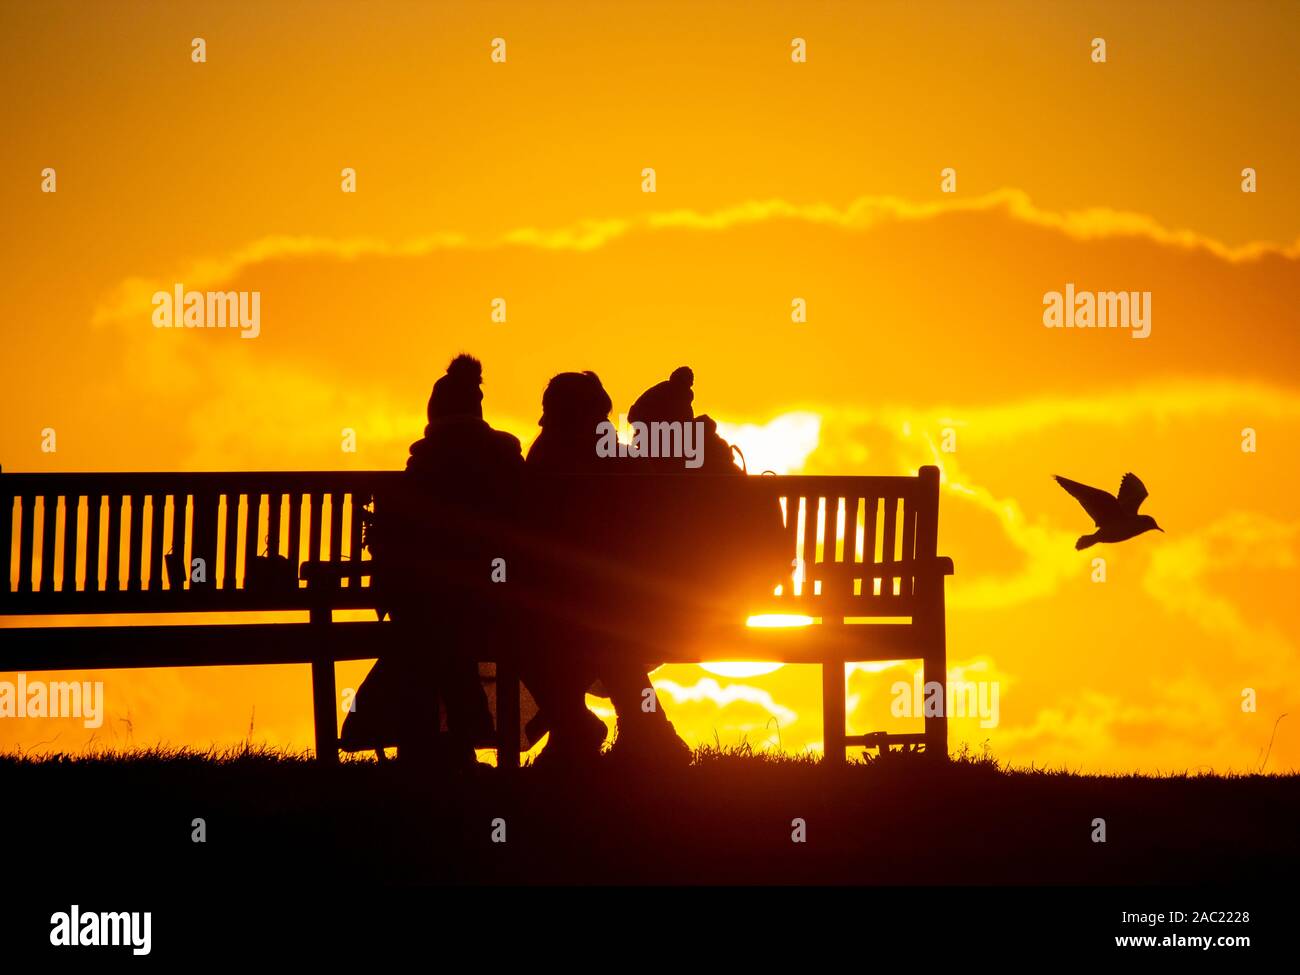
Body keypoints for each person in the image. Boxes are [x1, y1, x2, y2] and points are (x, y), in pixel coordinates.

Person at [355, 354, 525, 771]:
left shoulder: (422, 467)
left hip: (428, 604)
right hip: (495, 602)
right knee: (447, 636)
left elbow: (391, 540)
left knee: (429, 635)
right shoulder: (505, 454)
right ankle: (456, 741)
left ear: (434, 415)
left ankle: (433, 745)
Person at [524, 370, 690, 768]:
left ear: (557, 414)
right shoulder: (623, 461)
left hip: (581, 607)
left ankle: (578, 727)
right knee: (601, 625)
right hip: (643, 606)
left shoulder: (545, 459)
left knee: (555, 626)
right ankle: (640, 729)